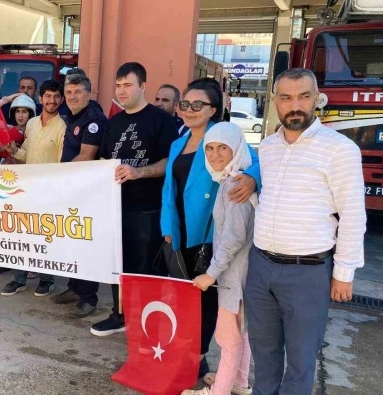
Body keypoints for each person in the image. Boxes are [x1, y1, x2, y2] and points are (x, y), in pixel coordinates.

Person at [246, 68, 365, 395]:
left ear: (317, 100)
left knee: (301, 362)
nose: (295, 105)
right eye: (286, 97)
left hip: (308, 272)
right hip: (261, 267)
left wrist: (344, 273)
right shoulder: (268, 147)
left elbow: (353, 214)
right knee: (263, 354)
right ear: (276, 102)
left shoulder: (339, 149)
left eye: (303, 96)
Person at [160, 79, 260, 377]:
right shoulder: (178, 142)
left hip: (208, 233)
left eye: (197, 104)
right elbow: (169, 188)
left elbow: (254, 161)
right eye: (185, 104)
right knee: (183, 296)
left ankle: (199, 356)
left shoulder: (223, 139)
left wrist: (252, 178)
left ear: (213, 109)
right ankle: (187, 352)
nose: (189, 110)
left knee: (203, 300)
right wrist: (167, 226)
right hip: (179, 230)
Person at [91, 62, 178, 336]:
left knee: (146, 270)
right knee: (116, 265)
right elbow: (104, 160)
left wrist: (138, 172)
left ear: (143, 86)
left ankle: (146, 325)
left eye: (127, 85)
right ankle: (119, 315)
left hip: (148, 209)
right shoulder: (113, 122)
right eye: (118, 85)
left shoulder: (161, 120)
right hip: (115, 208)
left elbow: (170, 162)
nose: (121, 90)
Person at [182, 122, 255, 395]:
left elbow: (233, 238)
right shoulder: (236, 178)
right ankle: (239, 382)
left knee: (228, 338)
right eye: (209, 148)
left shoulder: (233, 184)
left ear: (236, 148)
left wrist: (210, 274)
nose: (214, 155)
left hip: (232, 276)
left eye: (223, 147)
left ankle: (219, 390)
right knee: (241, 332)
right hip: (245, 272)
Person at [0, 80, 66, 297]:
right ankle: (19, 279)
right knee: (22, 235)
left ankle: (47, 279)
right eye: (48, 96)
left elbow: (61, 162)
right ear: (40, 98)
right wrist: (13, 151)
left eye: (56, 97)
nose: (52, 101)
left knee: (45, 237)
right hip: (26, 188)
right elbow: (26, 154)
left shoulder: (63, 127)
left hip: (48, 191)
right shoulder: (32, 124)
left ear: (61, 100)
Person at [49, 72, 107, 318]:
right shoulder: (74, 115)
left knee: (84, 244)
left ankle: (88, 297)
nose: (72, 97)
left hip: (85, 192)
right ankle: (75, 287)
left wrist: (57, 178)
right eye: (69, 92)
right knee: (72, 242)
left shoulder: (93, 119)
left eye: (78, 92)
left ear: (88, 93)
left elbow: (86, 156)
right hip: (71, 189)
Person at [0, 93, 37, 165]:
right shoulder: (7, 129)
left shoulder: (36, 132)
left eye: (24, 111)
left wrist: (17, 162)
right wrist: (6, 100)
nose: (20, 116)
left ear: (30, 113)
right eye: (17, 111)